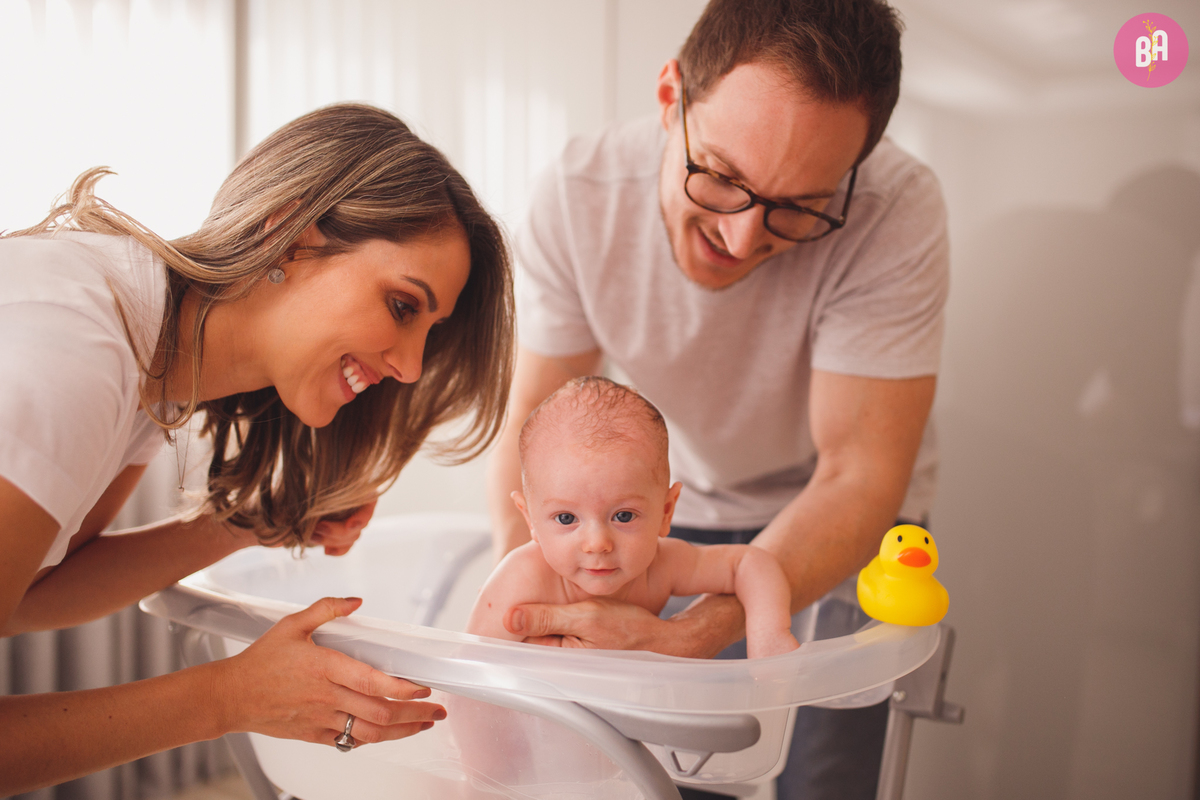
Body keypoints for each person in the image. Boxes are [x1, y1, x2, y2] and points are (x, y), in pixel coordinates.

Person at [485, 1, 947, 797]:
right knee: (669, 773)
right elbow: (535, 438)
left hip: (841, 517)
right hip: (668, 511)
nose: (740, 240)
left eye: (799, 206)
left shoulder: (893, 210)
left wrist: (708, 629)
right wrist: (524, 628)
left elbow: (859, 474)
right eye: (723, 178)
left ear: (852, 173)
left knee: (826, 775)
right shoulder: (580, 194)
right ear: (671, 99)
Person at [0, 102, 514, 796]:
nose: (413, 367)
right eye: (401, 305)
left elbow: (32, 593)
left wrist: (252, 524)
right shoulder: (79, 353)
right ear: (290, 235)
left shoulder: (151, 356)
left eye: (430, 329)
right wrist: (228, 698)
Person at [469, 376, 799, 658]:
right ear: (531, 521)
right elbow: (467, 675)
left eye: (624, 515)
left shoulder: (663, 566)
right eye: (567, 519)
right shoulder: (522, 579)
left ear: (666, 511)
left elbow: (749, 564)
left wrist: (768, 637)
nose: (597, 543)